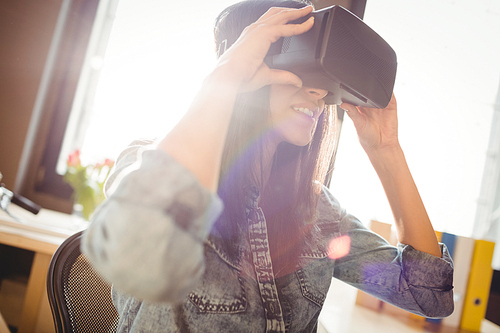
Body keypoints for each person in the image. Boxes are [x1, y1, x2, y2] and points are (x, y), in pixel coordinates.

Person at [81, 0, 454, 332]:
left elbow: (429, 297)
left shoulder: (319, 212)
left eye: (322, 78)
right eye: (300, 69)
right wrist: (224, 82)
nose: (318, 92)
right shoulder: (149, 163)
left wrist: (386, 149)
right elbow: (140, 264)